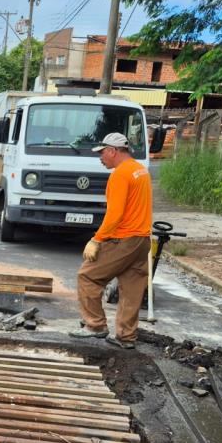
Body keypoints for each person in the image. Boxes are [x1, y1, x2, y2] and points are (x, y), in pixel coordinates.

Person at [68, 132, 152, 349]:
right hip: (142, 240)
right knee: (132, 289)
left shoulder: (120, 175)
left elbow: (115, 214)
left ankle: (95, 325)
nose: (100, 157)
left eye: (102, 152)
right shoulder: (140, 170)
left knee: (87, 276)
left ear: (113, 151)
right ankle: (126, 337)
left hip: (123, 239)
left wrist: (97, 239)